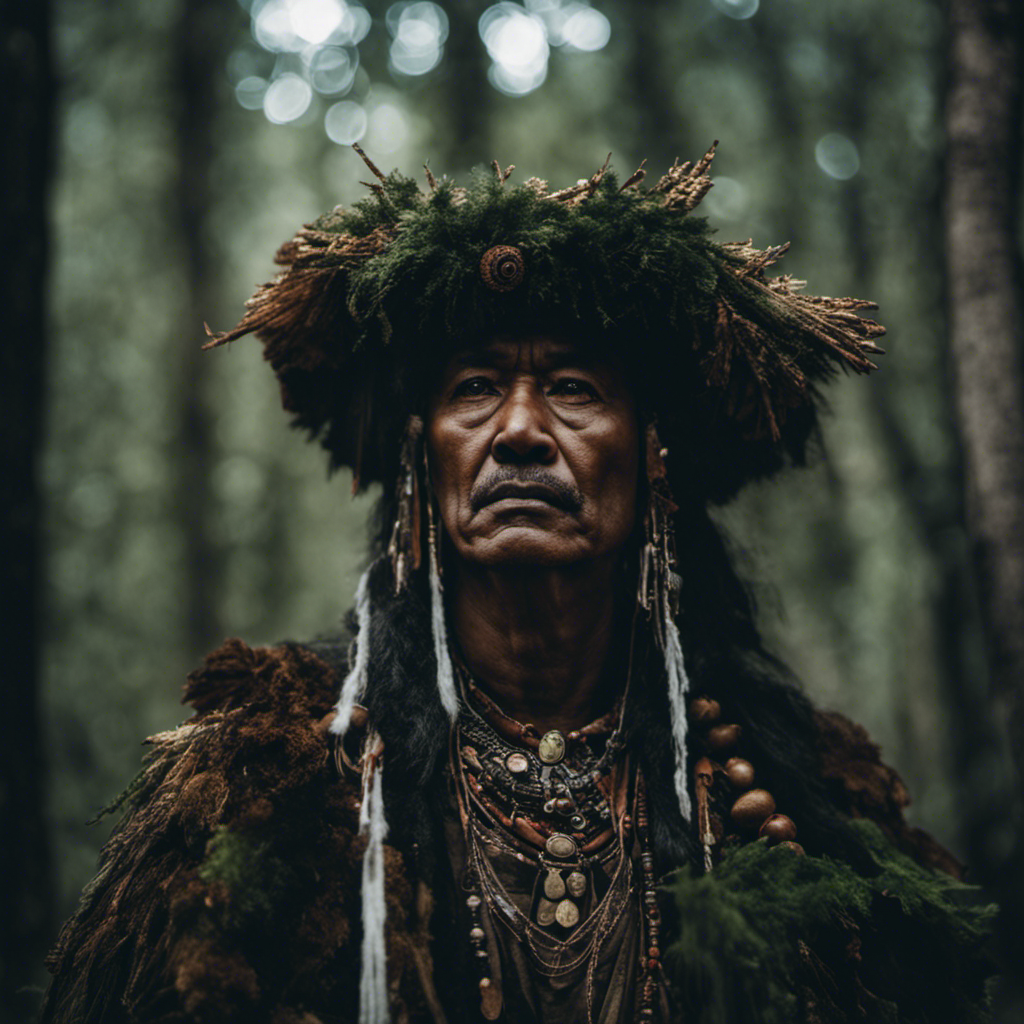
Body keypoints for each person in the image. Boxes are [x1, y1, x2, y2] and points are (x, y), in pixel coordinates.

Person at [41, 146, 996, 1024]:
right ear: (424, 460)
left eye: (575, 387)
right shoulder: (272, 774)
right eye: (473, 388)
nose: (521, 430)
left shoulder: (794, 792)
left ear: (651, 454)